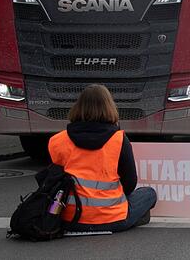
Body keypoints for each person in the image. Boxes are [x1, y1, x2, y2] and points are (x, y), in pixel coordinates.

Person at [48, 84, 157, 233]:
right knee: (149, 193)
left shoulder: (58, 141)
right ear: (109, 107)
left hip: (70, 219)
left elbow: (53, 182)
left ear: (78, 107)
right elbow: (130, 183)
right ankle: (135, 217)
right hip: (113, 219)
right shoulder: (119, 140)